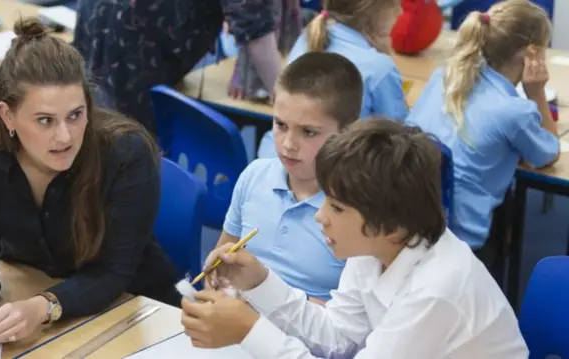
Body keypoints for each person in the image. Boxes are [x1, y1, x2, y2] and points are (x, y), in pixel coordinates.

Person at [181, 118, 528, 358]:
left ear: (388, 222)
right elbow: (338, 337)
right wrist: (259, 282)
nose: (321, 216)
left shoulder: (436, 289)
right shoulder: (376, 245)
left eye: (337, 207)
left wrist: (250, 329)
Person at [0, 18, 179, 344]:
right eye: (45, 120)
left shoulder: (126, 153)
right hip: (38, 293)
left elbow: (112, 273)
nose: (64, 136)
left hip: (136, 309)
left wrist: (44, 307)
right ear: (7, 115)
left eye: (75, 115)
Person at [406, 0, 559, 251]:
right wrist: (537, 94)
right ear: (532, 54)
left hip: (411, 216)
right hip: (460, 236)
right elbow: (547, 155)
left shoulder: (443, 77)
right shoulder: (514, 111)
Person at [210, 52, 364, 303]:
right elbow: (219, 268)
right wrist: (216, 277)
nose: (288, 144)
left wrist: (263, 296)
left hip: (306, 337)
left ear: (347, 132)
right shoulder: (254, 176)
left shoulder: (361, 208)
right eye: (280, 125)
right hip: (236, 327)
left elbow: (353, 323)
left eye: (308, 132)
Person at [74, 0, 283, 133]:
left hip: (100, 28)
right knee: (126, 149)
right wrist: (285, 97)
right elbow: (254, 28)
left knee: (91, 129)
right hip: (131, 47)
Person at [257, 0, 407, 158]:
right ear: (374, 12)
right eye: (396, 4)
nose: (400, 12)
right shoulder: (380, 68)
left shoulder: (308, 37)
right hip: (334, 171)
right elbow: (399, 140)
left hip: (274, 156)